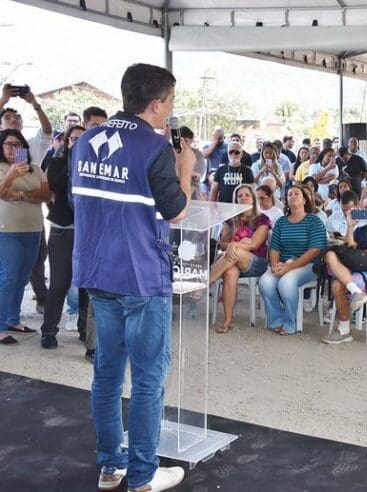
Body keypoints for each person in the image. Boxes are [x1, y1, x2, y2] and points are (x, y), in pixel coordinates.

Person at [70, 63, 191, 490]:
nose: (170, 110)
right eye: (170, 102)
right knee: (148, 378)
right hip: (140, 275)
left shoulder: (85, 140)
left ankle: (110, 464)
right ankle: (142, 474)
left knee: (106, 373)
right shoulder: (154, 148)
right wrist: (186, 169)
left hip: (95, 270)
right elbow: (177, 210)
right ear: (156, 104)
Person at [39, 125, 90, 349]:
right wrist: (67, 160)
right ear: (67, 141)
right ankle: (49, 330)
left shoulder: (93, 165)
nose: (78, 143)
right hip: (63, 229)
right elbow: (53, 188)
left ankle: (84, 329)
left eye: (83, 139)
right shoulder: (58, 161)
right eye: (74, 139)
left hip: (88, 231)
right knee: (59, 283)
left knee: (87, 286)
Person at [321, 195, 367, 344]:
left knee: (336, 276)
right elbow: (350, 246)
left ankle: (344, 329)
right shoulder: (360, 229)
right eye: (366, 207)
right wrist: (350, 226)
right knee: (329, 255)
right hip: (355, 269)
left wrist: (349, 255)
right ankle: (356, 291)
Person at [0, 129, 51, 344]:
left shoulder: (36, 169)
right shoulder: (3, 169)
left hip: (32, 229)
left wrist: (20, 195)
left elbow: (46, 195)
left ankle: (13, 319)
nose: (14, 148)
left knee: (22, 278)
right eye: (9, 144)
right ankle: (1, 324)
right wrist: (10, 175)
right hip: (6, 230)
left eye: (18, 145)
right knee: (8, 278)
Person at [259, 185, 327, 335]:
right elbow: (274, 247)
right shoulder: (281, 222)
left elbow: (315, 250)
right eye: (290, 194)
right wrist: (275, 265)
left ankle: (290, 323)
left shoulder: (314, 221)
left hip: (309, 266)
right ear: (286, 200)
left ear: (304, 200)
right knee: (265, 282)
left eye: (297, 194)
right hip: (284, 263)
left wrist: (290, 267)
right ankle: (276, 320)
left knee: (286, 282)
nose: (293, 196)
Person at [208, 183, 271, 334]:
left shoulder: (262, 219)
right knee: (230, 272)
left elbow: (255, 244)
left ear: (253, 199)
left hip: (256, 262)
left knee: (235, 249)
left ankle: (208, 281)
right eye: (240, 196)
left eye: (246, 195)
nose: (243, 198)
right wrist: (233, 244)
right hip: (232, 260)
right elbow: (222, 244)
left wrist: (234, 245)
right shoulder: (232, 220)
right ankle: (227, 320)